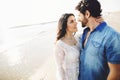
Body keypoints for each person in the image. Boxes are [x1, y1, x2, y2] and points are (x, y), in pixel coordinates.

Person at [75, 0, 120, 80]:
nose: (78, 20)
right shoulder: (84, 34)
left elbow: (116, 73)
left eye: (79, 16)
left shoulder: (112, 36)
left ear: (87, 14)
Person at [54, 13, 80, 80]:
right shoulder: (60, 44)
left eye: (75, 20)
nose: (76, 23)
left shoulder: (78, 38)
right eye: (72, 21)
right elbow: (59, 68)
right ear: (65, 26)